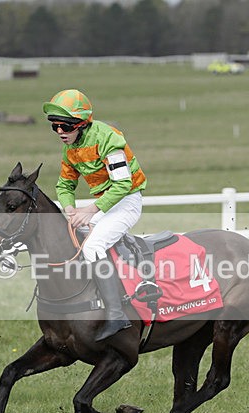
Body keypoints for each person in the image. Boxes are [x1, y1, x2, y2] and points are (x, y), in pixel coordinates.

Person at [43, 89, 148, 341]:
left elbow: (122, 186)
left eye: (65, 126)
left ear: (80, 123)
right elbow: (64, 186)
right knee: (76, 239)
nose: (60, 132)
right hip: (105, 204)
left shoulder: (107, 138)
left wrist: (89, 210)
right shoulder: (71, 148)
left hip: (126, 201)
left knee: (94, 246)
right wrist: (69, 209)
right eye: (54, 126)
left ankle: (117, 315)